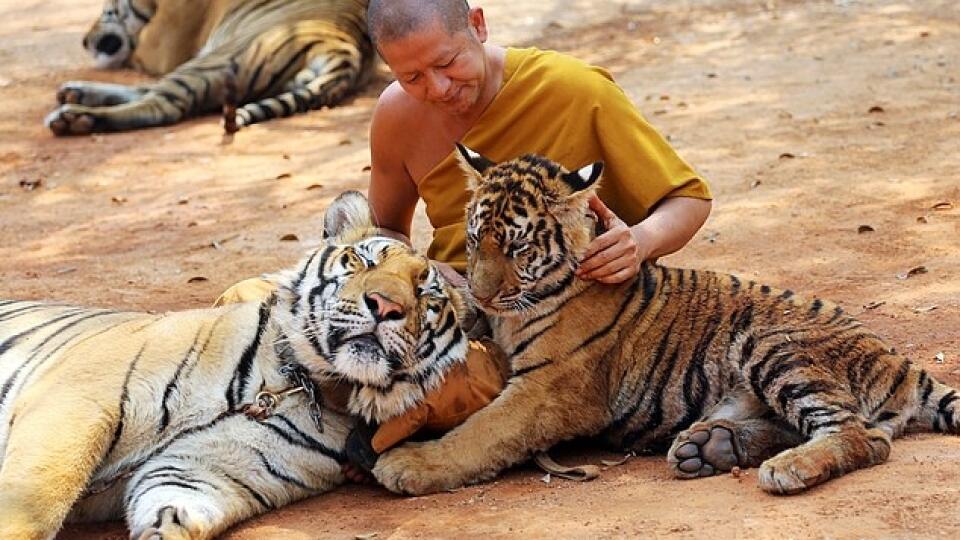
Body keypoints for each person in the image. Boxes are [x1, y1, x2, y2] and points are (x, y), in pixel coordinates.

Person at [221, 0, 713, 478]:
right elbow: (388, 229)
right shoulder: (396, 115)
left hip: (555, 321)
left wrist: (641, 241)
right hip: (442, 304)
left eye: (446, 63)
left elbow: (688, 199)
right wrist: (423, 271)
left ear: (477, 25)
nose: (436, 88)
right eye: (410, 77)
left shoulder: (575, 89)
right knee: (247, 304)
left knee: (450, 390)